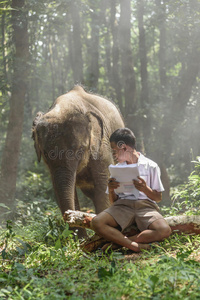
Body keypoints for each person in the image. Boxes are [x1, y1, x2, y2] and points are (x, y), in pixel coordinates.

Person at [91, 128, 171, 252]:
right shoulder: (117, 169)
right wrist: (111, 190)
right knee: (97, 222)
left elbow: (158, 198)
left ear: (124, 147)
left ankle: (119, 243)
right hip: (122, 206)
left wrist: (145, 189)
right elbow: (113, 202)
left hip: (146, 207)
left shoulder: (151, 166)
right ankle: (134, 246)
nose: (114, 155)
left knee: (164, 230)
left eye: (115, 151)